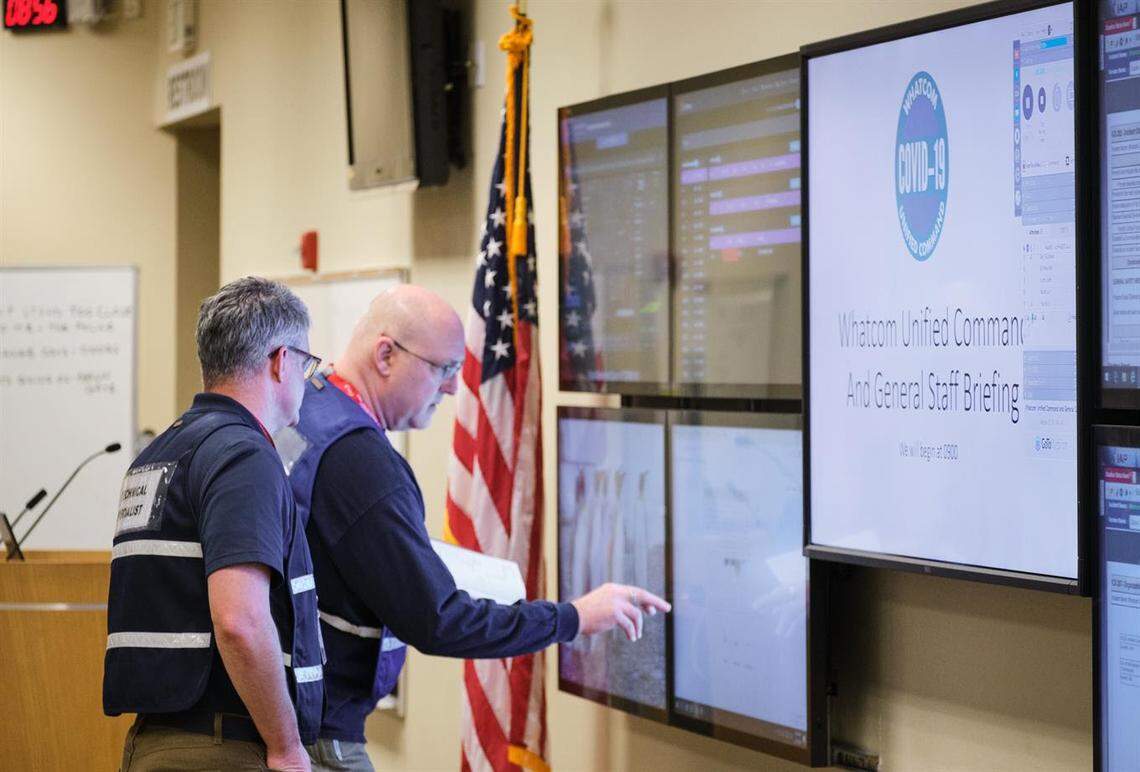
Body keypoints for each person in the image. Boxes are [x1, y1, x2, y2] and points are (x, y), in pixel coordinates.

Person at [278, 285, 669, 771]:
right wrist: (574, 618)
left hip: (293, 709)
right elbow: (437, 620)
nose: (451, 388)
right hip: (317, 733)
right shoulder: (360, 460)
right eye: (443, 369)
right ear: (385, 354)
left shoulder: (308, 406)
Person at [104, 277, 325, 772]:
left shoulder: (160, 453)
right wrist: (287, 746)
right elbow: (239, 620)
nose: (306, 382)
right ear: (280, 361)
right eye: (308, 364)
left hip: (156, 742)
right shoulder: (243, 454)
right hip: (225, 746)